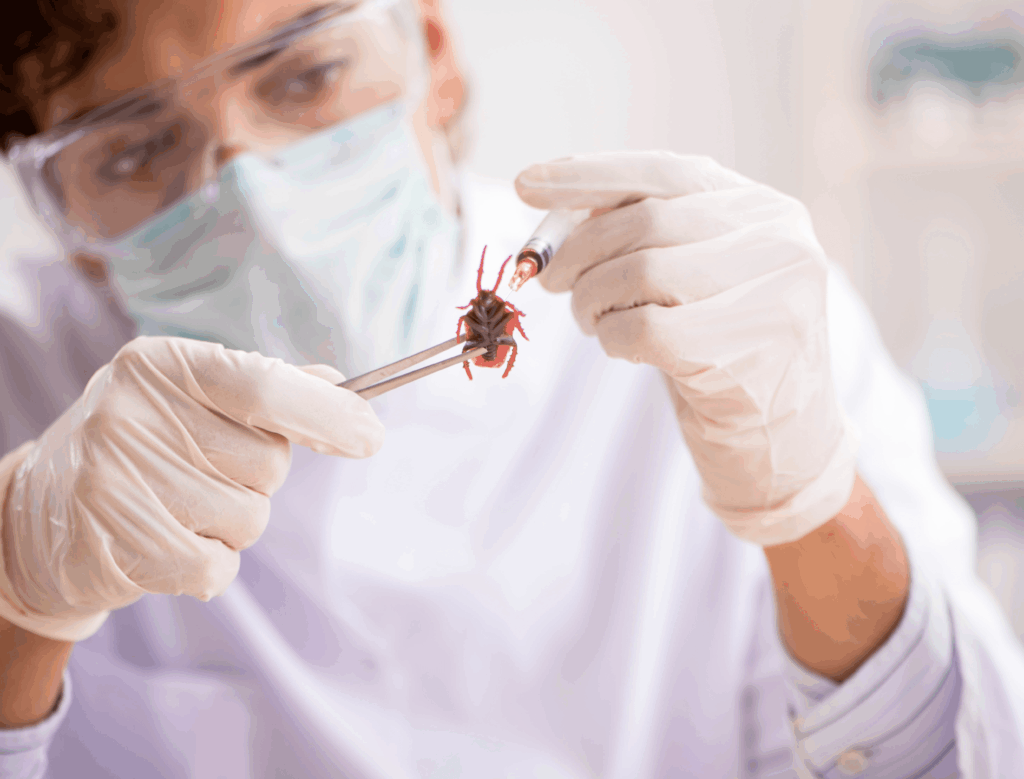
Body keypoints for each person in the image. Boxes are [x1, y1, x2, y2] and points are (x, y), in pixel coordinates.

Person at [0, 0, 1021, 777]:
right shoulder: (23, 390)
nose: (252, 193)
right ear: (60, 216)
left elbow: (958, 752)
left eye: (305, 76)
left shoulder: (724, 316)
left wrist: (813, 502)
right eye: (132, 152)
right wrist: (19, 599)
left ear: (432, 61)